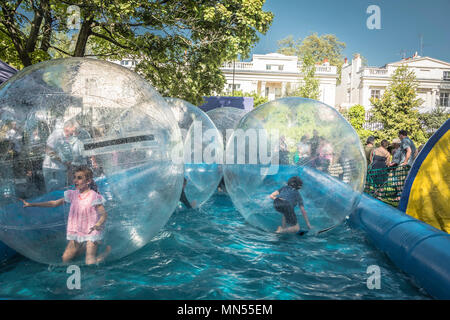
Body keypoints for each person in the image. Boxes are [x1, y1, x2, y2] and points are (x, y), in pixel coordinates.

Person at [20, 165, 111, 265]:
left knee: (90, 262)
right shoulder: (72, 194)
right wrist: (32, 204)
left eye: (79, 178)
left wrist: (98, 224)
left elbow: (103, 214)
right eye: (75, 177)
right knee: (65, 258)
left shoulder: (94, 196)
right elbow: (54, 203)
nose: (75, 180)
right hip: (78, 231)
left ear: (88, 181)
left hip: (91, 232)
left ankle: (106, 253)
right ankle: (85, 247)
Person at [42, 120, 78, 193]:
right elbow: (48, 150)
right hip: (52, 168)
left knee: (61, 191)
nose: (74, 133)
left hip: (61, 168)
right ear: (67, 127)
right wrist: (63, 160)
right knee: (53, 193)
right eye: (73, 130)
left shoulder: (69, 137)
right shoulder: (57, 134)